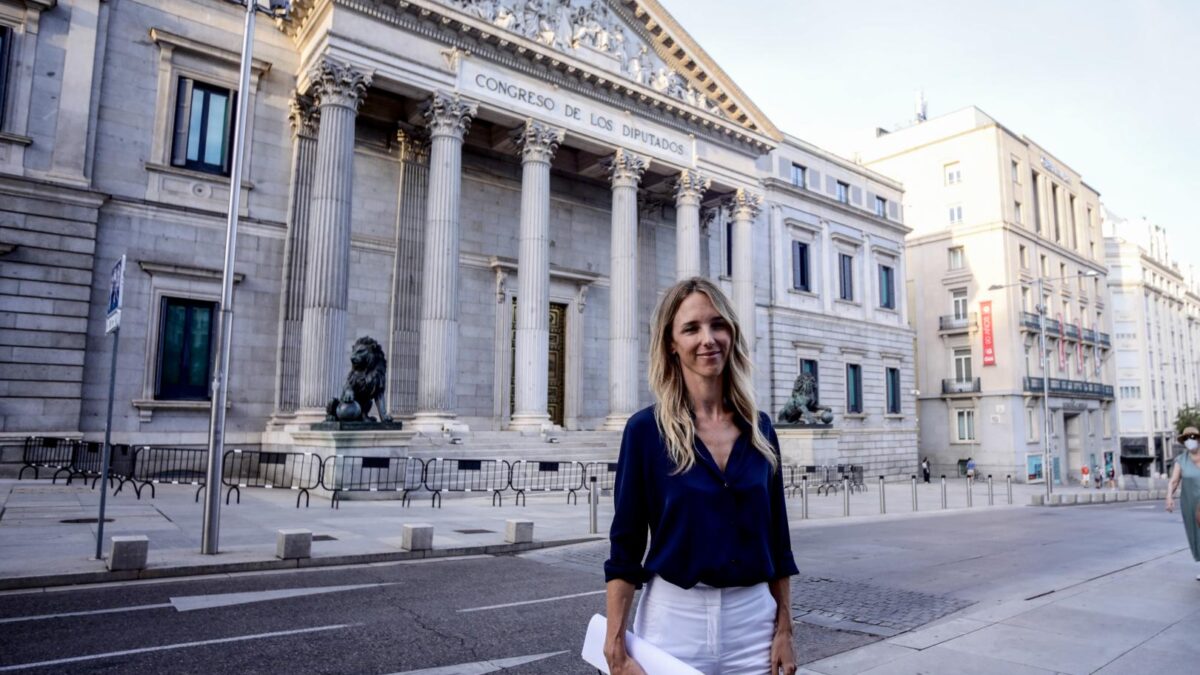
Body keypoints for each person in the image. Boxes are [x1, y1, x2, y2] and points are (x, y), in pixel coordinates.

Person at [604, 277, 799, 675]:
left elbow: (778, 541)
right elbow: (625, 546)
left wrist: (785, 630)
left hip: (754, 627)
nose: (708, 338)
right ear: (671, 345)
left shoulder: (761, 430)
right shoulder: (645, 431)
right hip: (674, 623)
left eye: (718, 324)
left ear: (732, 333)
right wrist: (616, 649)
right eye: (691, 328)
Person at [1165, 426, 1200, 581]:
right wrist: (1169, 497)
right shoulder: (1181, 460)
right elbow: (1174, 481)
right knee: (1197, 534)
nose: (1190, 440)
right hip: (1190, 503)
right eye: (1186, 438)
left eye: (1193, 437)